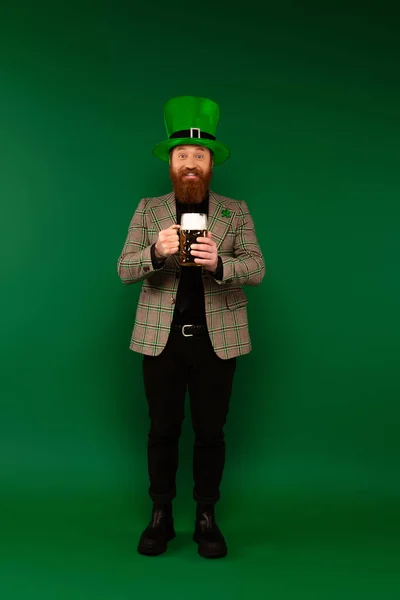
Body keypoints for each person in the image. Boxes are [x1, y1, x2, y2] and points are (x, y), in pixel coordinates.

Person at [117, 95, 265, 559]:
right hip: (160, 344)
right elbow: (123, 269)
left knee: (210, 432)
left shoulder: (234, 211)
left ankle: (206, 516)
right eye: (182, 155)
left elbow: (257, 268)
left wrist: (222, 264)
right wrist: (155, 254)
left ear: (210, 163)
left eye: (198, 156)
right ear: (171, 163)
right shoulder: (148, 210)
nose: (190, 164)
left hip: (215, 343)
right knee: (161, 430)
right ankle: (160, 514)